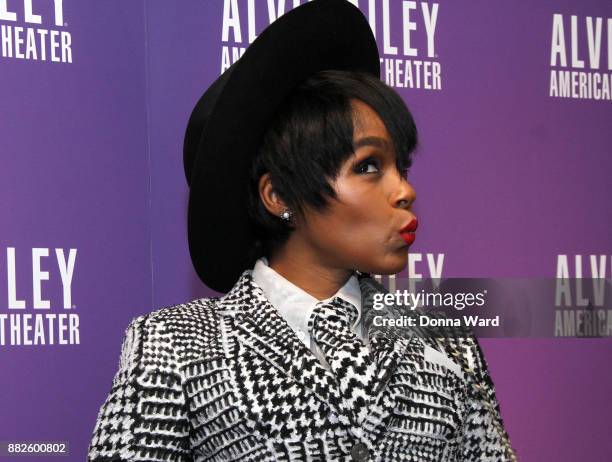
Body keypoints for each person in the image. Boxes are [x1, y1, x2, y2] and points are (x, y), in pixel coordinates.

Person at [87, 1, 515, 461]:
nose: (405, 190)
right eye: (369, 166)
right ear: (279, 197)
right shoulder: (171, 346)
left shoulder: (446, 342)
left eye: (401, 166)